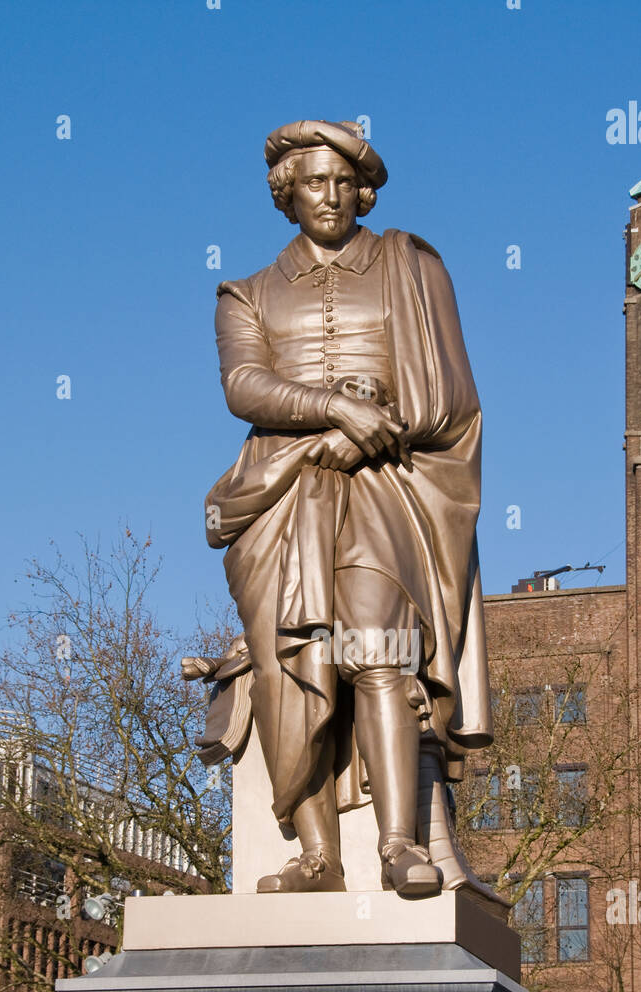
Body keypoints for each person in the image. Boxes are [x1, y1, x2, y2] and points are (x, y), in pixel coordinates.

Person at [202, 120, 493, 897]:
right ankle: (315, 856)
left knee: (377, 647)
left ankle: (398, 844)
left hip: (387, 484)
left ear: (361, 188)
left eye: (341, 181)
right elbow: (244, 388)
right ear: (285, 194)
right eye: (310, 183)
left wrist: (372, 432)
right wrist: (334, 409)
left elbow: (452, 394)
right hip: (284, 489)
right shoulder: (247, 293)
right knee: (295, 662)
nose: (328, 196)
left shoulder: (409, 264)